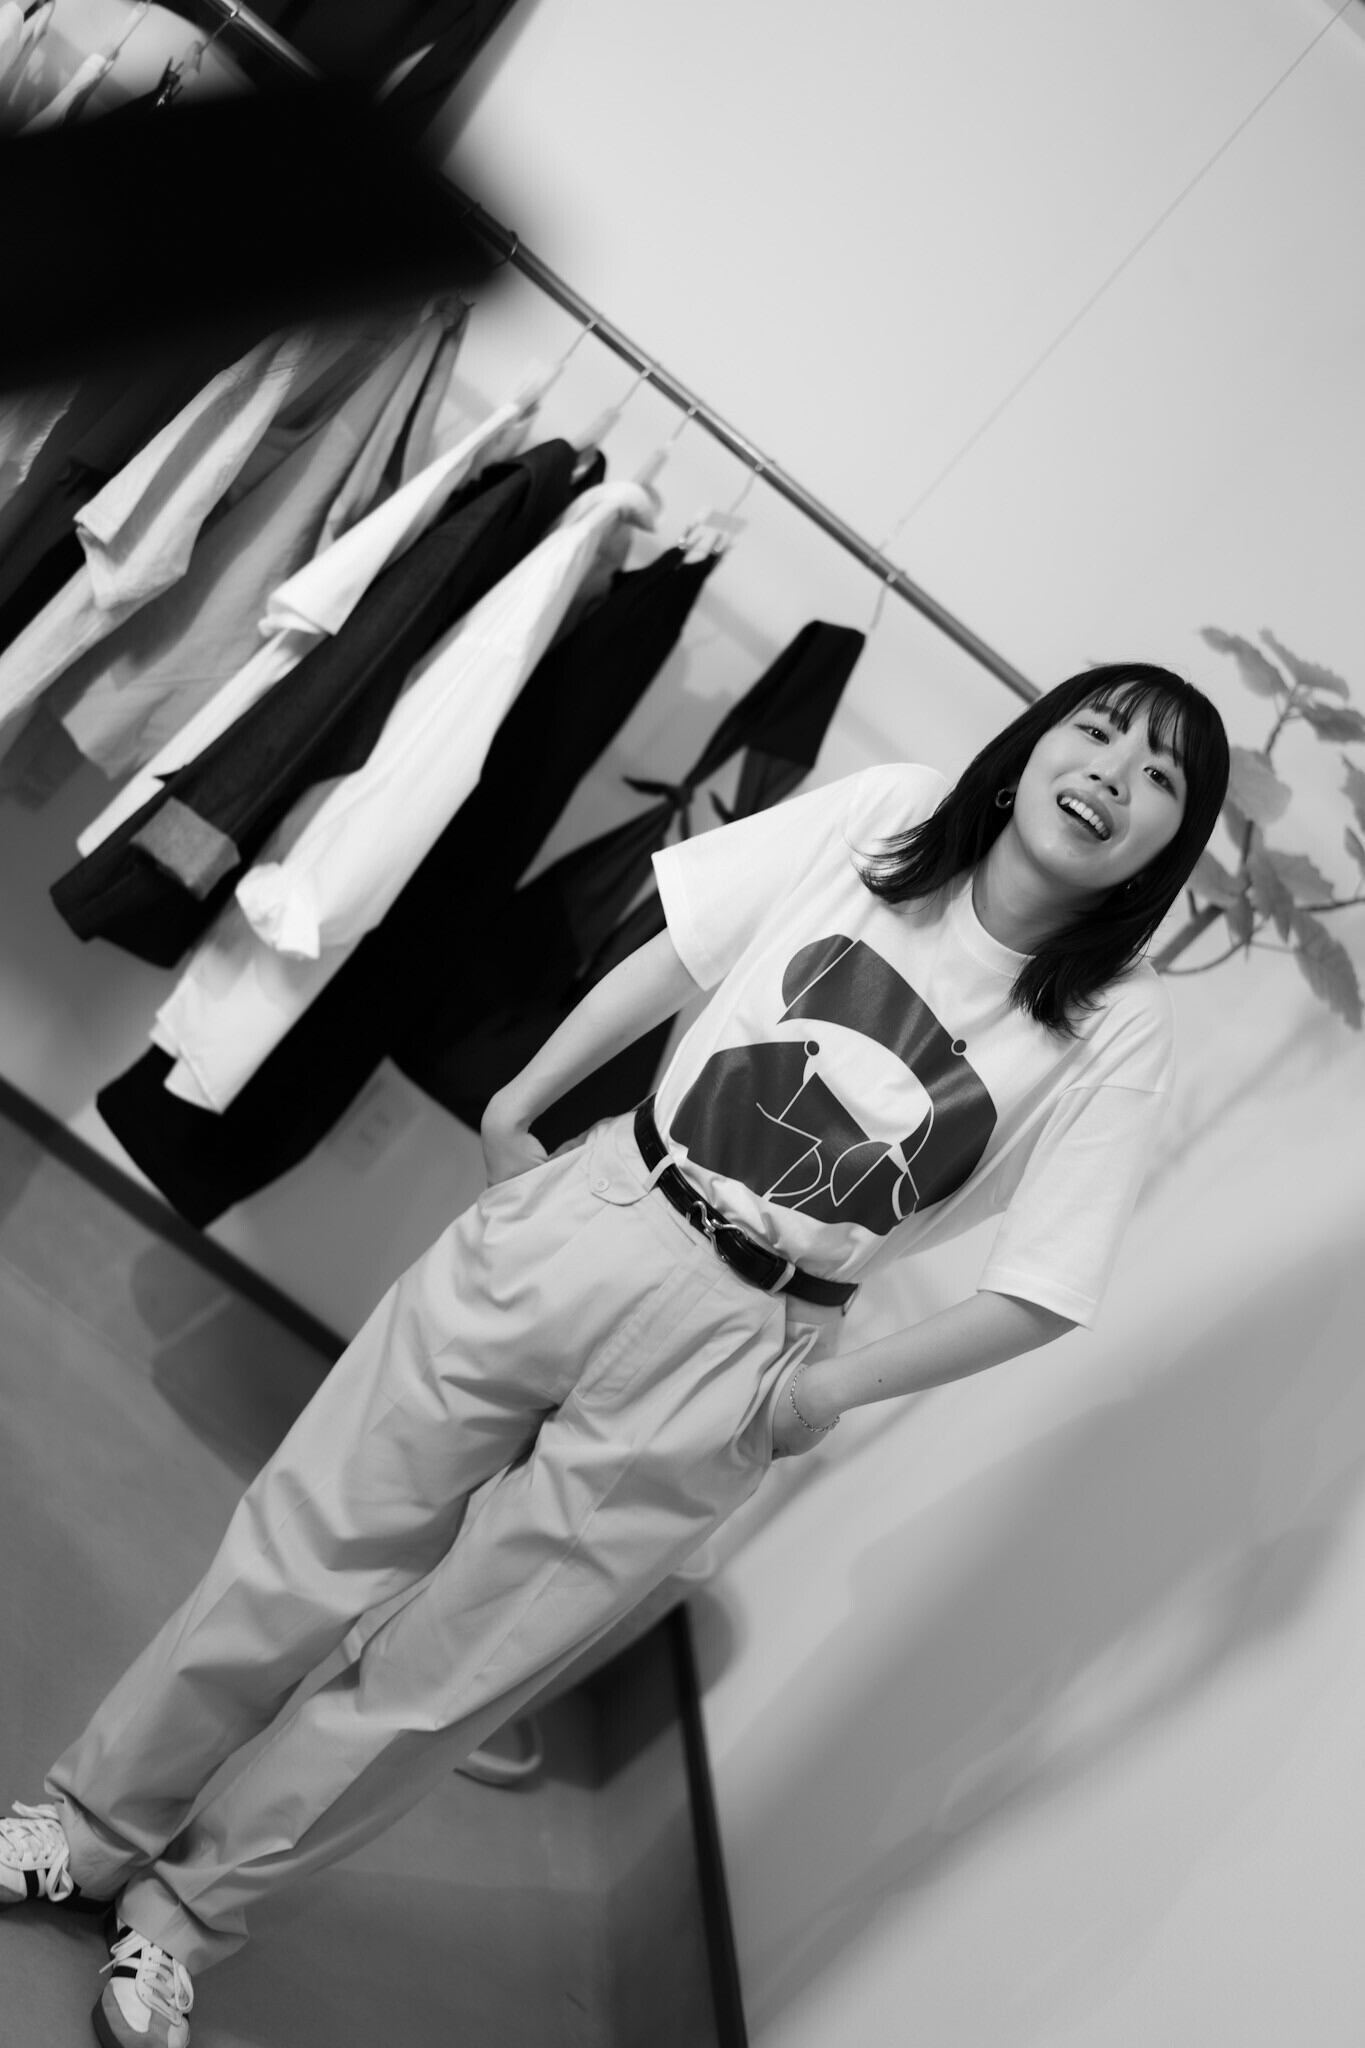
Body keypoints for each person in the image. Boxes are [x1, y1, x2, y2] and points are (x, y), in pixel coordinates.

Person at [1, 662, 1229, 2047]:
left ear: (1165, 847)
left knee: (449, 1674)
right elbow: (688, 945)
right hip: (610, 1203)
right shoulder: (889, 818)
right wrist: (517, 1104)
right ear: (1031, 747)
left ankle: (186, 1919)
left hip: (752, 1343)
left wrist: (819, 1392)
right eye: (1097, 731)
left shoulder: (1115, 1024)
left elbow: (1046, 1289)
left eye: (1161, 777)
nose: (1113, 775)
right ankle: (92, 1825)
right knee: (305, 1544)